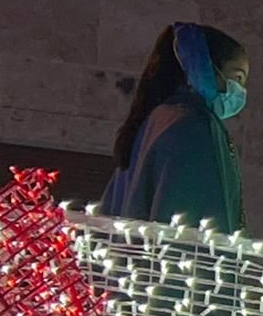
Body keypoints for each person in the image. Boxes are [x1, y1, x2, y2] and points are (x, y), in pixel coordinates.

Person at [100, 23, 248, 231]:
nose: (240, 91)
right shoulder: (193, 126)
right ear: (205, 68)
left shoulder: (155, 120)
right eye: (237, 77)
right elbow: (195, 232)